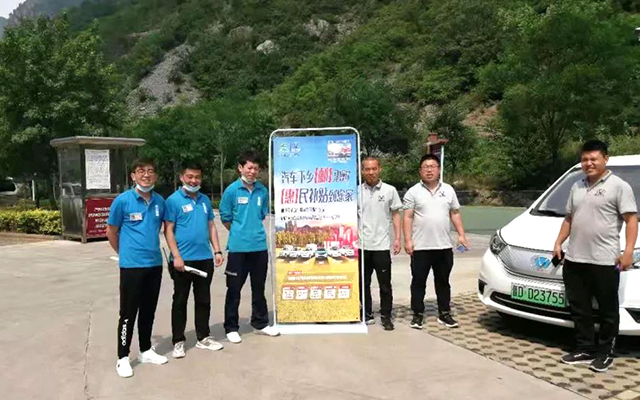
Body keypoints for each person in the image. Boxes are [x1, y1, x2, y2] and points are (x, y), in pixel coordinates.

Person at [554, 140, 638, 372]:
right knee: (580, 308)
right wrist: (558, 242)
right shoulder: (577, 186)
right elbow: (569, 218)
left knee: (607, 310)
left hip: (604, 260)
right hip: (575, 259)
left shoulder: (619, 186)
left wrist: (628, 252)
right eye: (584, 159)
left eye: (593, 159)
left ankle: (606, 352)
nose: (588, 163)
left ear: (605, 159)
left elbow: (631, 220)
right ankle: (585, 348)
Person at [106, 158, 168, 378]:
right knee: (128, 313)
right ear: (133, 176)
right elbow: (111, 231)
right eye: (141, 171)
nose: (146, 175)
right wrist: (124, 253)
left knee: (148, 310)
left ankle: (145, 350)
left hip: (154, 264)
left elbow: (163, 228)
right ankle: (123, 357)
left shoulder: (160, 201)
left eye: (150, 171)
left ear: (156, 176)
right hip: (131, 266)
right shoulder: (122, 201)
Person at [164, 162, 225, 358]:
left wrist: (217, 251)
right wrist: (177, 256)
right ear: (182, 177)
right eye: (189, 176)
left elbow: (211, 226)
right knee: (180, 300)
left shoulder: (204, 200)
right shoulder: (173, 201)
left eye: (197, 177)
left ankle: (203, 337)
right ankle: (178, 341)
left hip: (204, 258)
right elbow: (168, 230)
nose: (193, 180)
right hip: (183, 261)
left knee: (203, 300)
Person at [403, 154, 468, 330]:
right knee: (418, 282)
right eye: (426, 167)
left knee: (443, 282)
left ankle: (444, 313)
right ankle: (417, 314)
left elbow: (455, 213)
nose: (429, 170)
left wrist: (461, 235)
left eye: (433, 166)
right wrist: (407, 240)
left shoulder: (448, 190)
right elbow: (407, 217)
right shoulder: (413, 192)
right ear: (420, 171)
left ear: (438, 170)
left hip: (443, 246)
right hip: (421, 247)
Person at [220, 150, 279, 343]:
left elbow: (261, 215)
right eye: (249, 167)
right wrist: (239, 233)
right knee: (234, 289)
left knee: (258, 288)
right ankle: (231, 327)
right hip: (238, 249)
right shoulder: (231, 191)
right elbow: (225, 218)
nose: (252, 171)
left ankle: (260, 322)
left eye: (256, 168)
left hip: (259, 247)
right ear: (240, 168)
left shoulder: (262, 191)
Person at [358, 156, 402, 331]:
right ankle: (367, 313)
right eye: (367, 169)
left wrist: (397, 239)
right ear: (362, 171)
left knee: (385, 285)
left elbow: (396, 215)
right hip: (361, 246)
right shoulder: (355, 192)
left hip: (381, 246)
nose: (371, 172)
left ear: (379, 169)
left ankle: (386, 316)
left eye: (374, 168)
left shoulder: (390, 191)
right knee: (363, 284)